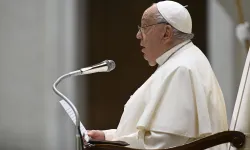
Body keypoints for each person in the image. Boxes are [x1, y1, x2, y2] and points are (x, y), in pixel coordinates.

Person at [88, 1, 228, 149]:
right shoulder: (180, 61)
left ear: (166, 33)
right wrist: (107, 137)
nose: (138, 35)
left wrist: (109, 144)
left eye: (144, 28)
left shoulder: (182, 69)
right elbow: (156, 136)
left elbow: (165, 143)